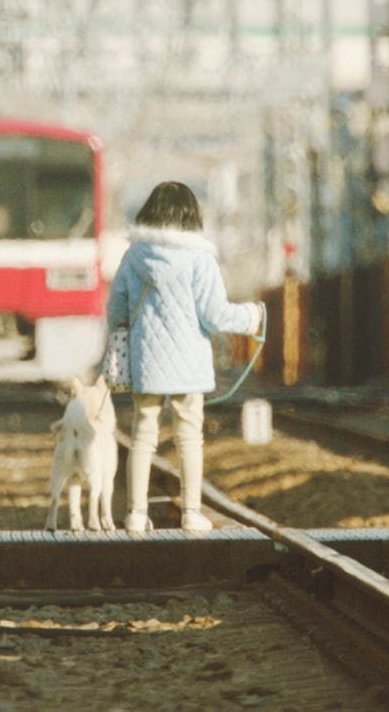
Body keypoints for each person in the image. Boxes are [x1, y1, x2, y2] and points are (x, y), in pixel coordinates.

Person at [106, 181, 263, 533]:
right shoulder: (200, 258)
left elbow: (116, 308)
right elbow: (215, 315)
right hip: (188, 363)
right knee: (189, 436)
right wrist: (252, 317)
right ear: (191, 216)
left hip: (146, 361)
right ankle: (192, 513)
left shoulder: (134, 256)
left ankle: (134, 513)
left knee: (142, 435)